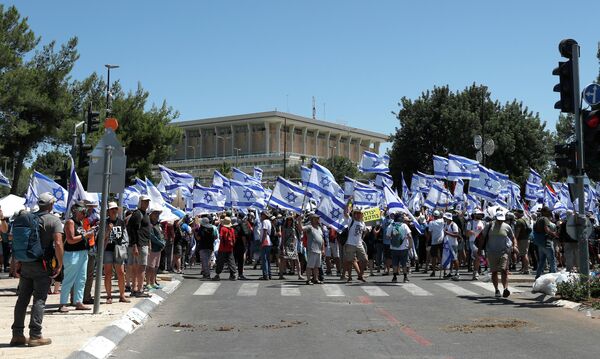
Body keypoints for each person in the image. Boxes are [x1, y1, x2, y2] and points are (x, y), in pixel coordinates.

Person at [11, 193, 64, 347]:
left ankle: (17, 335)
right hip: (42, 265)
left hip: (26, 262)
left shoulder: (30, 218)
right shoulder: (53, 220)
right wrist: (60, 264)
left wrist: (18, 262)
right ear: (51, 205)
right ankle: (35, 335)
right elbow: (59, 243)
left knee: (22, 299)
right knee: (39, 300)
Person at [58, 202, 91, 312]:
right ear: (76, 211)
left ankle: (78, 301)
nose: (84, 214)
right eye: (82, 212)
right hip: (73, 254)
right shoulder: (70, 222)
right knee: (69, 279)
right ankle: (63, 303)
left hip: (82, 253)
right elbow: (71, 240)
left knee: (82, 279)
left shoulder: (80, 222)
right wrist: (85, 235)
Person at [485, 210, 517, 298]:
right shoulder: (489, 226)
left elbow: (513, 237)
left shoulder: (507, 227)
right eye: (499, 220)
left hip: (504, 252)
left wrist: (515, 246)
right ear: (495, 218)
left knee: (504, 270)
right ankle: (496, 290)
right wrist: (480, 250)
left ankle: (505, 288)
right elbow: (483, 238)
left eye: (502, 220)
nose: (500, 221)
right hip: (491, 252)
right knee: (494, 272)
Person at [103, 202, 130, 304]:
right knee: (108, 273)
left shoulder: (121, 222)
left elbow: (125, 236)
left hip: (120, 248)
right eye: (112, 209)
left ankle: (122, 295)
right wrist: (108, 231)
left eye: (115, 209)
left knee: (121, 272)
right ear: (108, 211)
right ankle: (109, 296)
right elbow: (102, 238)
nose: (114, 211)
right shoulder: (104, 222)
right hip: (108, 249)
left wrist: (125, 247)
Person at [126, 195, 152, 298]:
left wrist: (149, 243)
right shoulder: (137, 214)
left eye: (147, 202)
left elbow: (147, 230)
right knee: (140, 267)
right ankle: (139, 289)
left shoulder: (145, 214)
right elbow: (132, 231)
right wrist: (135, 245)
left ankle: (135, 289)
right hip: (139, 244)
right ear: (140, 202)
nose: (146, 203)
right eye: (145, 202)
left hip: (144, 243)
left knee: (138, 267)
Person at [297, 212, 325, 285]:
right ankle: (308, 279)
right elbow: (301, 229)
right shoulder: (309, 227)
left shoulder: (319, 228)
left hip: (318, 250)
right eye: (317, 218)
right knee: (310, 265)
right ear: (312, 219)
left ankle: (316, 279)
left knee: (317, 266)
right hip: (312, 249)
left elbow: (322, 239)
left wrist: (322, 249)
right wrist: (299, 221)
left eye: (318, 218)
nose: (318, 219)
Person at [343, 208, 368, 282]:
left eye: (359, 213)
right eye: (356, 213)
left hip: (359, 244)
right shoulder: (351, 220)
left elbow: (365, 231)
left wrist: (361, 238)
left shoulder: (362, 223)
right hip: (350, 243)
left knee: (365, 259)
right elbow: (345, 213)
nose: (358, 215)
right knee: (350, 261)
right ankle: (350, 276)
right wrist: (348, 203)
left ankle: (360, 274)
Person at [387, 213, 414, 283]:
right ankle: (405, 277)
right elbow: (410, 236)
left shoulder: (391, 226)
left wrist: (392, 237)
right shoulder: (404, 225)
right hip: (403, 248)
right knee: (404, 263)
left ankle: (394, 277)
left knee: (395, 263)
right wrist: (410, 245)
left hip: (393, 248)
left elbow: (387, 236)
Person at [533, 206, 558, 279]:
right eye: (548, 211)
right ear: (545, 212)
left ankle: (537, 277)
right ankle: (555, 278)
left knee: (541, 262)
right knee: (552, 261)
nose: (549, 213)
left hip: (540, 243)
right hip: (547, 243)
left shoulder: (538, 219)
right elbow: (547, 230)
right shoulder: (545, 219)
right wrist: (554, 234)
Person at [82, 200, 99, 305]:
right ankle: (81, 297)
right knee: (83, 275)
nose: (91, 209)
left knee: (89, 274)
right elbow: (84, 233)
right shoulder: (83, 220)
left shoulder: (94, 218)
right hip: (84, 248)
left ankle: (86, 296)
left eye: (92, 207)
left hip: (91, 247)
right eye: (89, 207)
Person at [212, 217, 237, 281]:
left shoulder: (223, 229)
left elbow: (220, 237)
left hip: (222, 248)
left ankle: (217, 275)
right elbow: (234, 239)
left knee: (220, 262)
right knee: (231, 261)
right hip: (230, 248)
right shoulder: (232, 229)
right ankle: (233, 274)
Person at [279, 215, 303, 280]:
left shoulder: (294, 228)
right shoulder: (284, 228)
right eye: (288, 220)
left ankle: (299, 275)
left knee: (297, 260)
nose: (289, 221)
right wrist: (282, 246)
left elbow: (298, 235)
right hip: (286, 245)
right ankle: (281, 274)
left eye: (291, 220)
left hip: (293, 246)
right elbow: (283, 238)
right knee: (283, 260)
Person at [146, 207, 165, 289]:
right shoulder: (149, 224)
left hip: (158, 248)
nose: (157, 215)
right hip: (152, 248)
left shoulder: (158, 224)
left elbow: (161, 235)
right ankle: (148, 283)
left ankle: (153, 282)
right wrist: (161, 243)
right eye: (155, 213)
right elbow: (152, 236)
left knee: (156, 267)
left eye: (158, 213)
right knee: (150, 266)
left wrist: (163, 242)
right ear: (151, 214)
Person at [466, 210, 485, 280]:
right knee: (477, 256)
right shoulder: (470, 222)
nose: (480, 215)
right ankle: (476, 271)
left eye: (480, 214)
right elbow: (467, 234)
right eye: (478, 214)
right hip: (473, 242)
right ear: (474, 215)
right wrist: (471, 232)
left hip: (480, 242)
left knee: (478, 257)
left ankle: (475, 271)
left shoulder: (483, 222)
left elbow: (484, 232)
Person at [443, 212, 461, 280]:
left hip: (453, 244)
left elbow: (456, 235)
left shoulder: (453, 225)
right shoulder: (446, 224)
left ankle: (457, 273)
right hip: (447, 244)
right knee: (450, 259)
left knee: (455, 258)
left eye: (446, 218)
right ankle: (451, 272)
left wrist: (447, 233)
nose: (444, 219)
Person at [426, 210, 444, 277]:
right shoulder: (442, 221)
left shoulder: (431, 223)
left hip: (434, 241)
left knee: (434, 257)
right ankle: (444, 271)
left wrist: (427, 241)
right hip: (441, 241)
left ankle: (433, 271)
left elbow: (429, 233)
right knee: (442, 256)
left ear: (433, 216)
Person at [513, 209, 531, 274]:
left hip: (522, 239)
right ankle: (524, 268)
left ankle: (526, 269)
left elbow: (517, 231)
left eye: (516, 213)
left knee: (524, 254)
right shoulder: (526, 219)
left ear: (519, 213)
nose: (515, 214)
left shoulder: (519, 221)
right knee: (524, 254)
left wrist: (515, 239)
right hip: (527, 239)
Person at [259, 211, 273, 280]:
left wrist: (262, 242)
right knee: (267, 259)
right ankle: (269, 274)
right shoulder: (268, 221)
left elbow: (265, 232)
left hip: (265, 241)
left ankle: (265, 275)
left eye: (262, 215)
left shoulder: (265, 222)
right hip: (268, 241)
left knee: (264, 259)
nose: (261, 216)